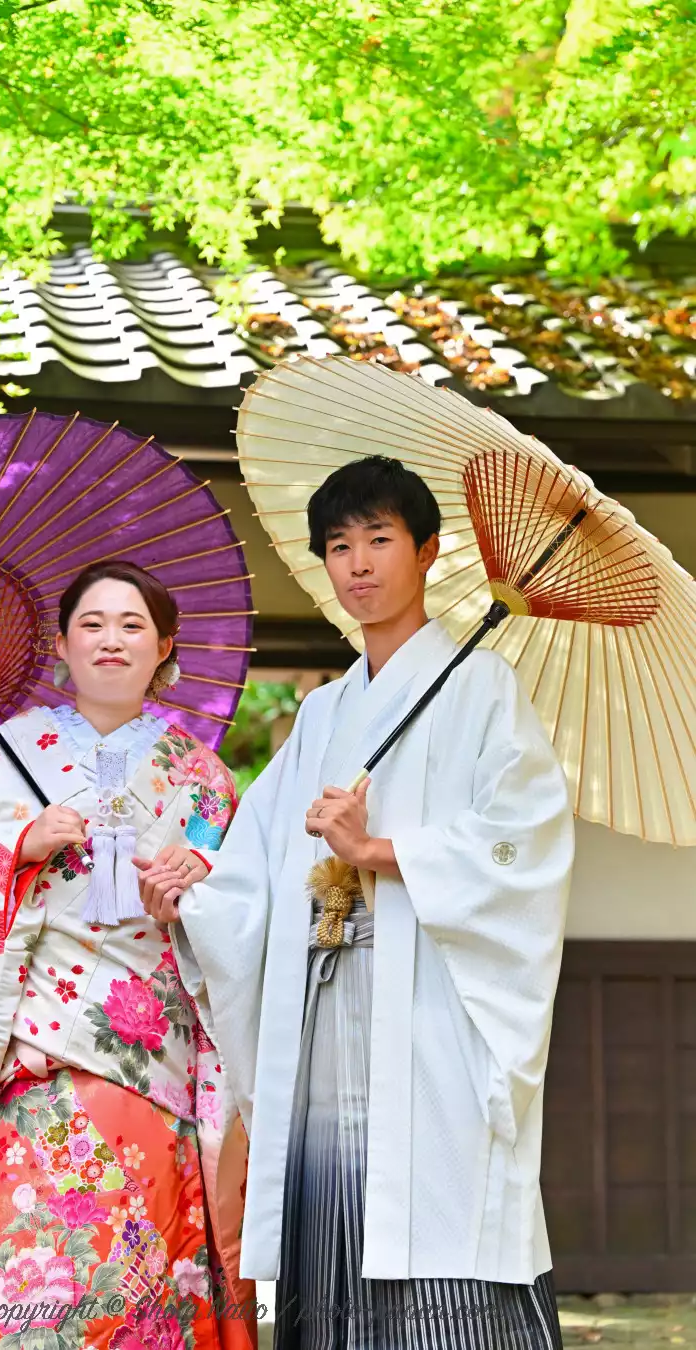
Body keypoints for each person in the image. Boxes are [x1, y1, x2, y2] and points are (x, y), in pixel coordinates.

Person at [138, 457, 576, 1350]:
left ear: (428, 551)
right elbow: (255, 861)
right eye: (339, 546)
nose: (359, 564)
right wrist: (196, 887)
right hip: (327, 1006)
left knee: (439, 1205)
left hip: (433, 1009)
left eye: (380, 539)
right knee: (335, 1209)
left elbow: (526, 840)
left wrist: (378, 850)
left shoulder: (483, 689)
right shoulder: (327, 712)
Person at [0, 561, 256, 1350]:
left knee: (143, 1270)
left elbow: (251, 894)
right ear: (61, 644)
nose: (112, 640)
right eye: (92, 624)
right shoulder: (3, 753)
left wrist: (202, 883)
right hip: (30, 1049)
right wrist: (20, 840)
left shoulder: (204, 777)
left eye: (132, 625)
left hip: (156, 1057)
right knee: (27, 1265)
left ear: (166, 647)